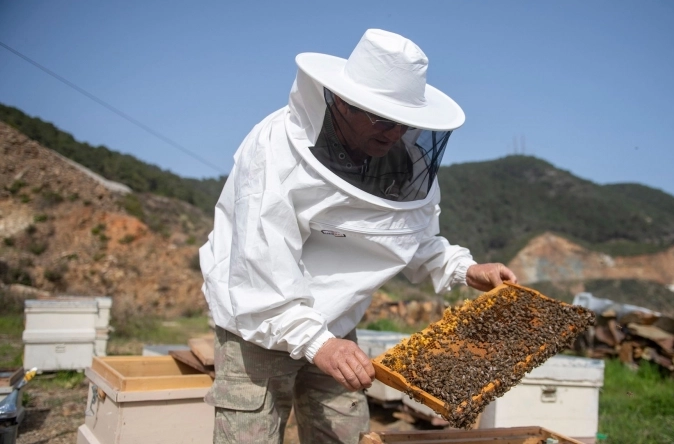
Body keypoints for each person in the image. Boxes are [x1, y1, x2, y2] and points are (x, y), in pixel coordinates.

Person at [199, 29, 517, 444]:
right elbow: (261, 264)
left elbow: (411, 237)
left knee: (347, 437)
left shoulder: (403, 163)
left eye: (405, 124)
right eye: (383, 120)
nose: (394, 134)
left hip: (336, 323)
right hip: (257, 323)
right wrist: (317, 343)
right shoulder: (276, 149)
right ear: (345, 104)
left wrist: (465, 268)